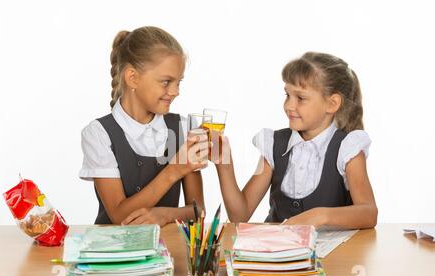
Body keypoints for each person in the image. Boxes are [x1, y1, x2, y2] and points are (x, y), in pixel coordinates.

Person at [212, 52, 378, 229]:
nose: (288, 106)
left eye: (300, 98)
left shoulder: (347, 148)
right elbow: (240, 215)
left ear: (332, 104)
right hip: (276, 252)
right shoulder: (275, 145)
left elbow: (368, 212)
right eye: (287, 95)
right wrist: (224, 165)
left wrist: (320, 216)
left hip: (331, 254)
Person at [79, 26, 208, 226]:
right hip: (112, 252)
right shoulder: (99, 134)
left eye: (178, 83)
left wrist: (165, 215)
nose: (175, 92)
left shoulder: (184, 127)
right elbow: (120, 217)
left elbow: (198, 210)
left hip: (166, 250)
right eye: (166, 82)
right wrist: (174, 169)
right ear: (133, 78)